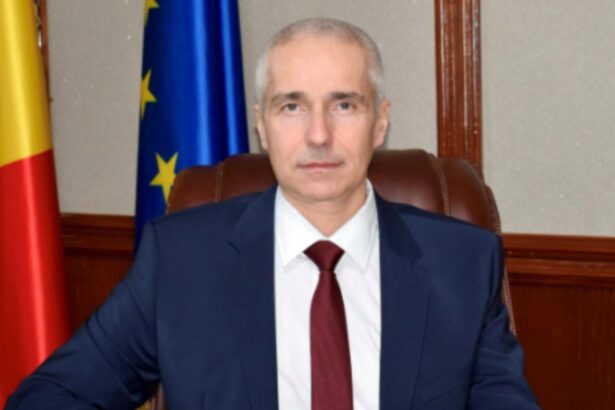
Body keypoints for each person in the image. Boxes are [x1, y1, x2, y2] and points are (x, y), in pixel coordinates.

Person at [7, 18, 539, 409]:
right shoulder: (182, 260)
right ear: (261, 125)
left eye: (344, 104)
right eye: (292, 106)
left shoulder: (462, 263)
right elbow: (51, 396)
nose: (318, 134)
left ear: (380, 122)